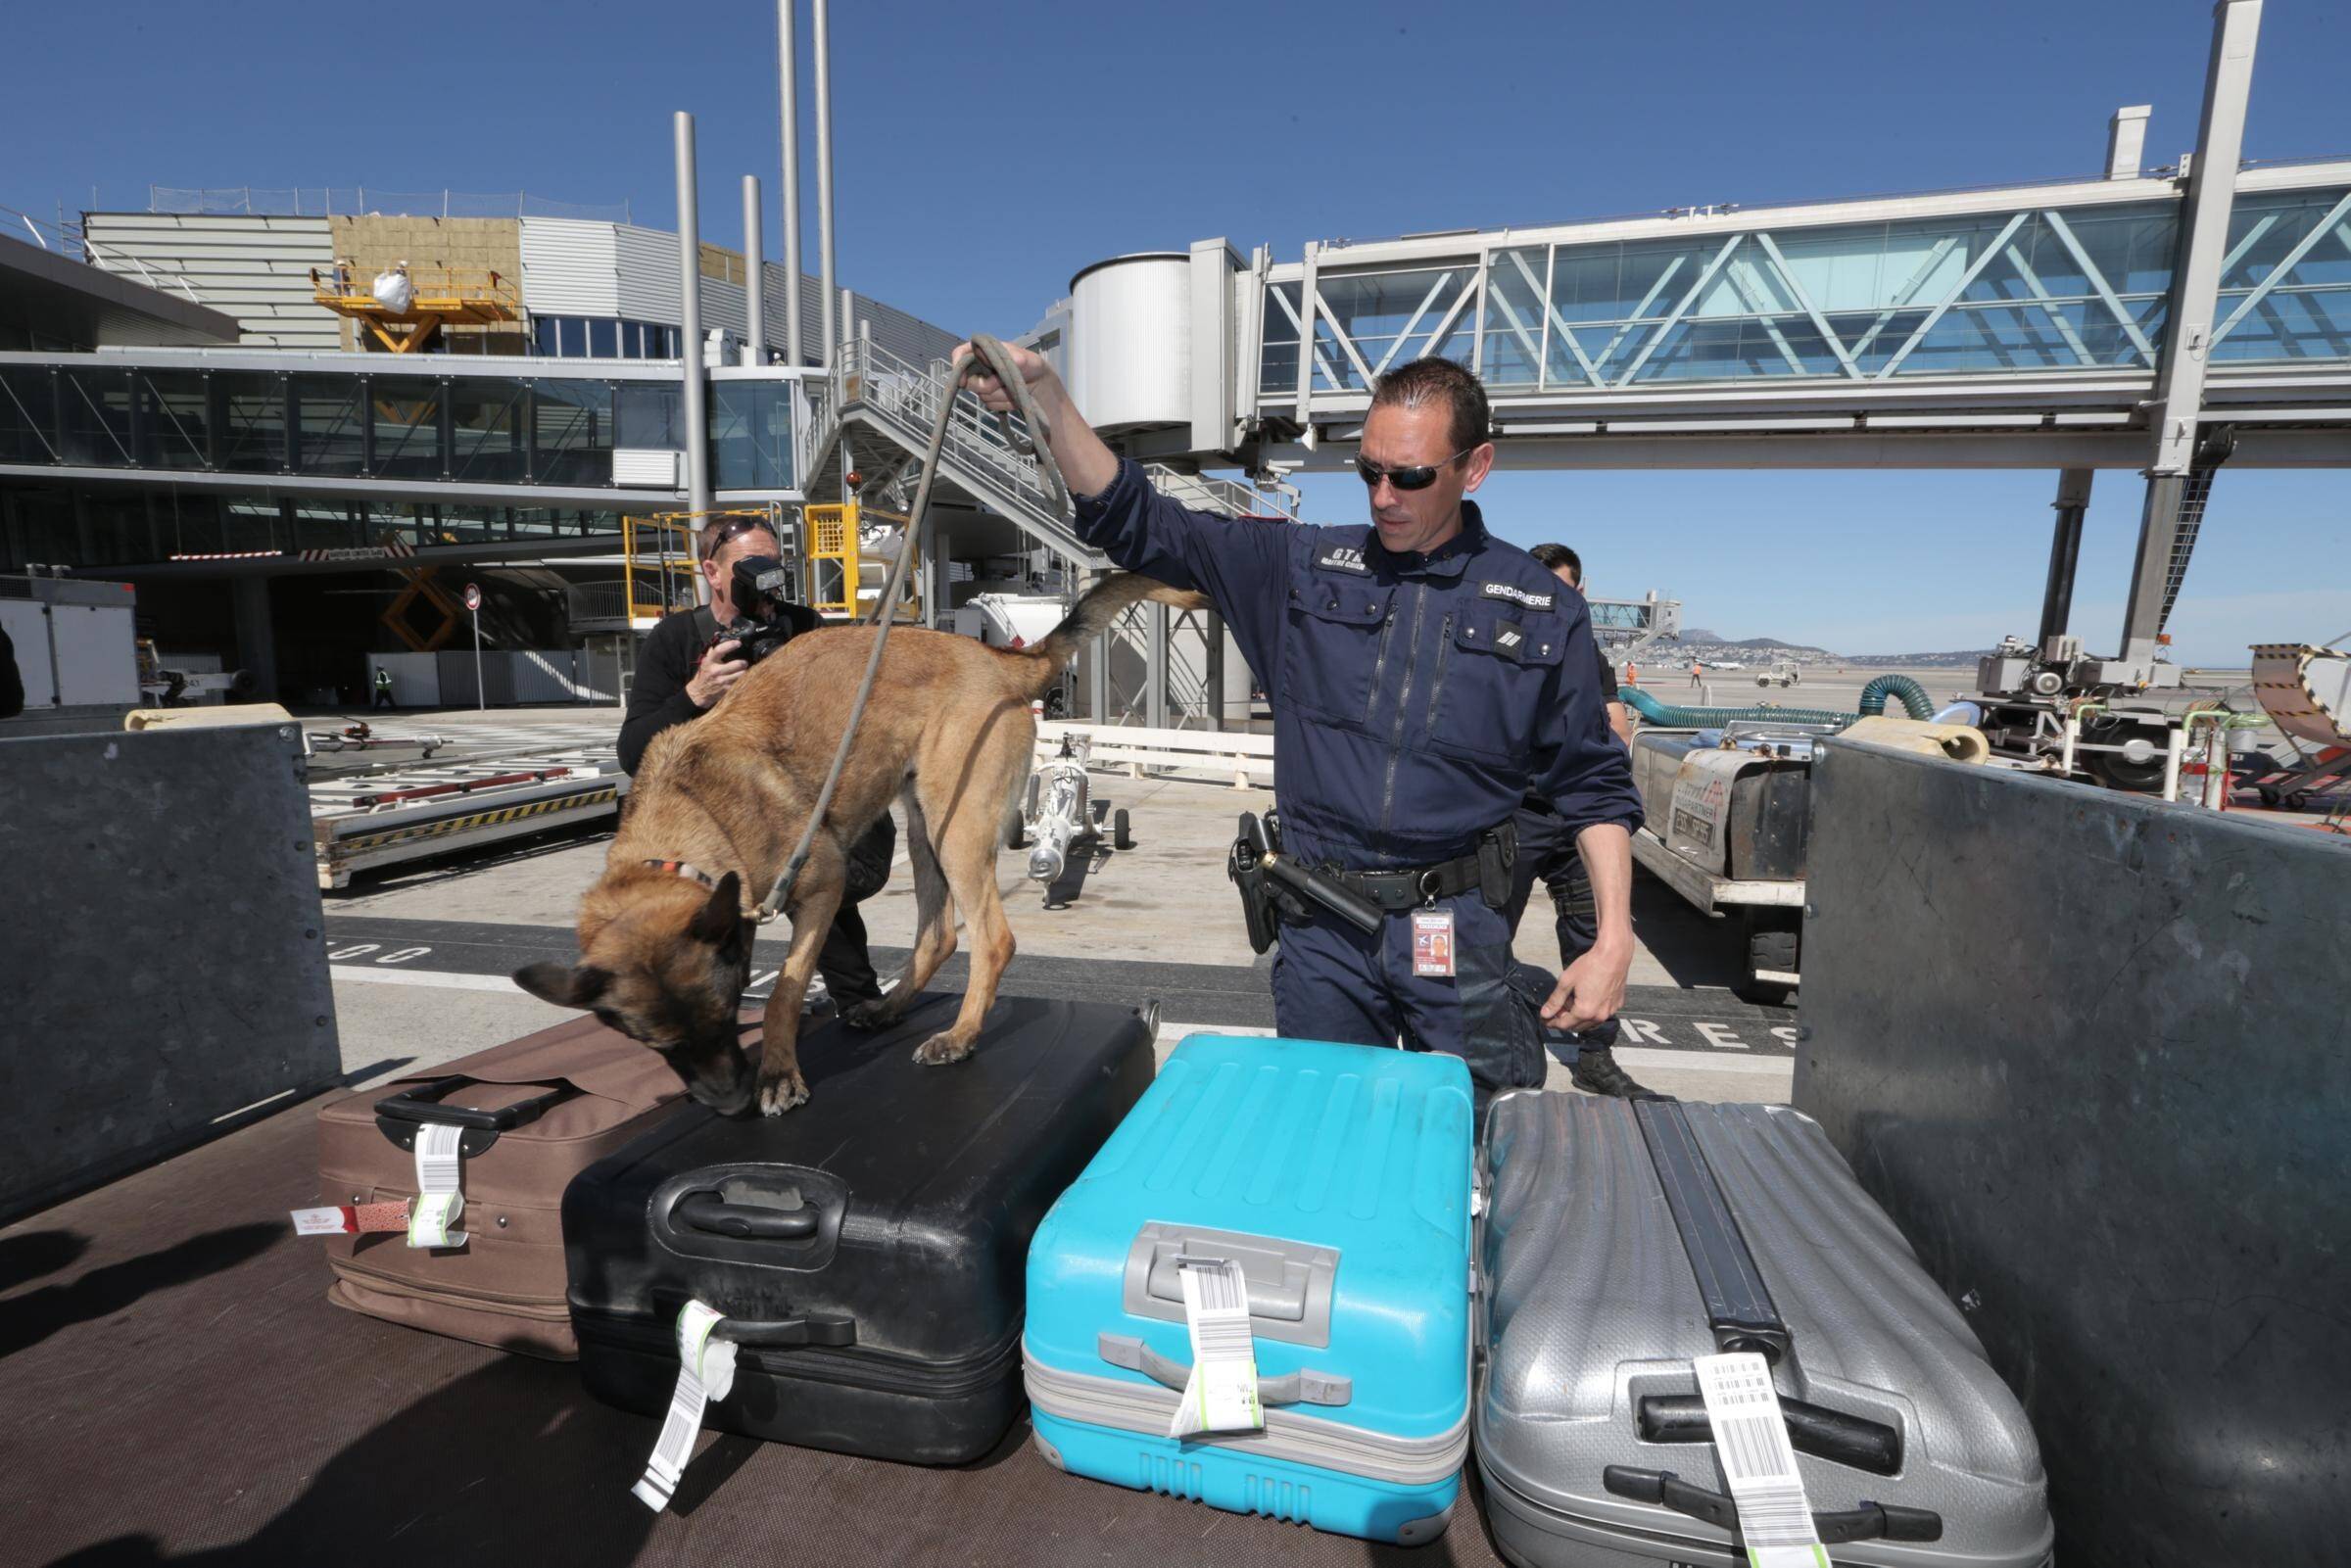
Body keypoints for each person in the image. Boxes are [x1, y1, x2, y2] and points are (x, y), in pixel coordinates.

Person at [958, 347, 1641, 1097]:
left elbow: (1594, 785)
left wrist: (1612, 941)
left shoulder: (1540, 605)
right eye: (1368, 470)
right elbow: (1145, 524)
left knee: (1471, 1138)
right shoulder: (1303, 566)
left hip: (1458, 931)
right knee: (1326, 1130)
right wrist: (1047, 396)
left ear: (1474, 467)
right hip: (1323, 930)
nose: (1384, 496)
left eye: (1410, 475)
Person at [617, 513, 890, 1013]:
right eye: (750, 565)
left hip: (788, 807)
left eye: (773, 563)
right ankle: (707, 1011)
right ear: (712, 572)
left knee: (819, 887)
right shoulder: (676, 639)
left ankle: (857, 998)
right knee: (717, 926)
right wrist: (695, 695)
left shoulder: (802, 626)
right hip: (713, 825)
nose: (765, 575)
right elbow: (633, 752)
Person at [1504, 545, 1658, 1098]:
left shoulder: (1586, 654)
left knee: (1592, 936)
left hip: (1575, 820)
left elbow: (1616, 726)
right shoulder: (1504, 645)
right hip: (1513, 816)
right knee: (1484, 938)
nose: (1551, 601)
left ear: (1580, 592)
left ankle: (1596, 1057)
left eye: (1563, 590)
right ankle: (1488, 1057)